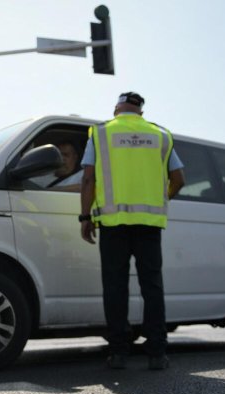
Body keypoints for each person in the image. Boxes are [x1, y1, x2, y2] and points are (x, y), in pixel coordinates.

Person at [79, 92, 185, 370]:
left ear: (117, 108)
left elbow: (88, 177)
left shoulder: (101, 134)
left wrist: (85, 216)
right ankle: (157, 353)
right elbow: (179, 179)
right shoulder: (160, 136)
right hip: (149, 225)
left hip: (113, 225)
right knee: (152, 287)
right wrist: (161, 199)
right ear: (140, 111)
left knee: (115, 288)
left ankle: (118, 352)